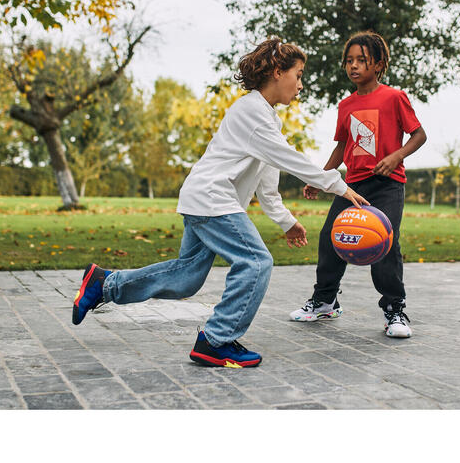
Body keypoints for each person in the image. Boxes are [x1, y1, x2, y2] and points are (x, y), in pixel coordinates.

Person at [71, 37, 368, 368]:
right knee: (256, 262)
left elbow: (267, 181)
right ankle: (216, 340)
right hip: (213, 198)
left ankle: (103, 284)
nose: (300, 85)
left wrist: (286, 221)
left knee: (186, 277)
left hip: (205, 199)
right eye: (297, 75)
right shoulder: (251, 111)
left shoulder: (269, 118)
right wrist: (336, 185)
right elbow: (289, 158)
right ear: (275, 72)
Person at [290, 30, 426, 337]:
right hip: (353, 186)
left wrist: (396, 156)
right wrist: (320, 178)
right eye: (349, 61)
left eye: (361, 60)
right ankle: (325, 301)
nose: (354, 66)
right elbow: (341, 148)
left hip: (387, 184)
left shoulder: (394, 97)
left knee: (385, 244)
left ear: (378, 64)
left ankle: (395, 311)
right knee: (329, 239)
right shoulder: (345, 105)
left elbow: (419, 135)